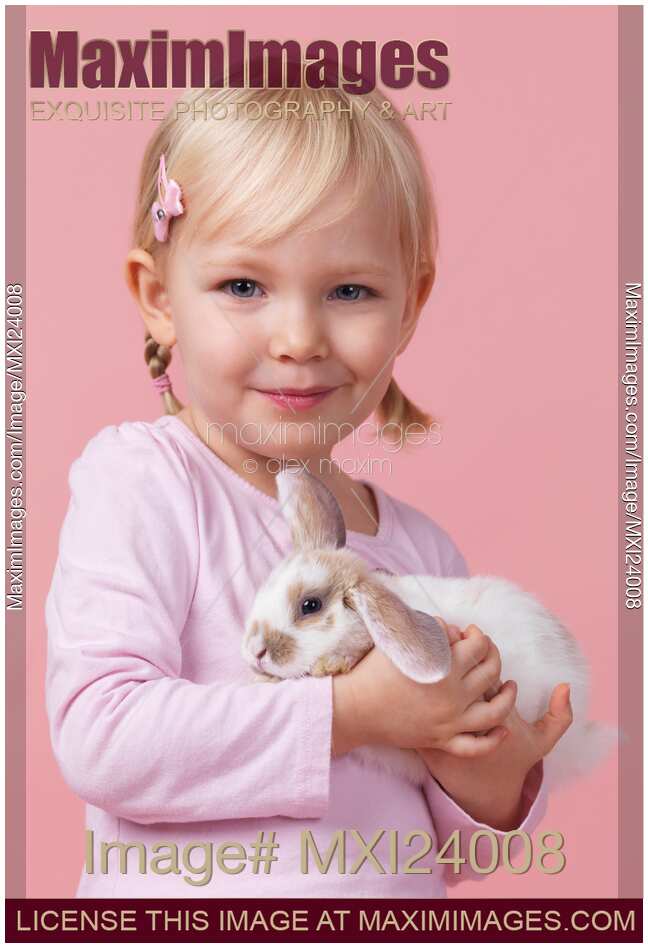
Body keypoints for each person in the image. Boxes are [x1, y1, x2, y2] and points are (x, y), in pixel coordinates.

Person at [45, 84, 572, 898]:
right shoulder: (145, 483)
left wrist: (491, 776)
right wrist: (354, 714)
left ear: (409, 307)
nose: (299, 340)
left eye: (350, 291)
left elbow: (451, 854)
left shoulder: (423, 551)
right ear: (160, 300)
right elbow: (102, 736)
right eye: (245, 287)